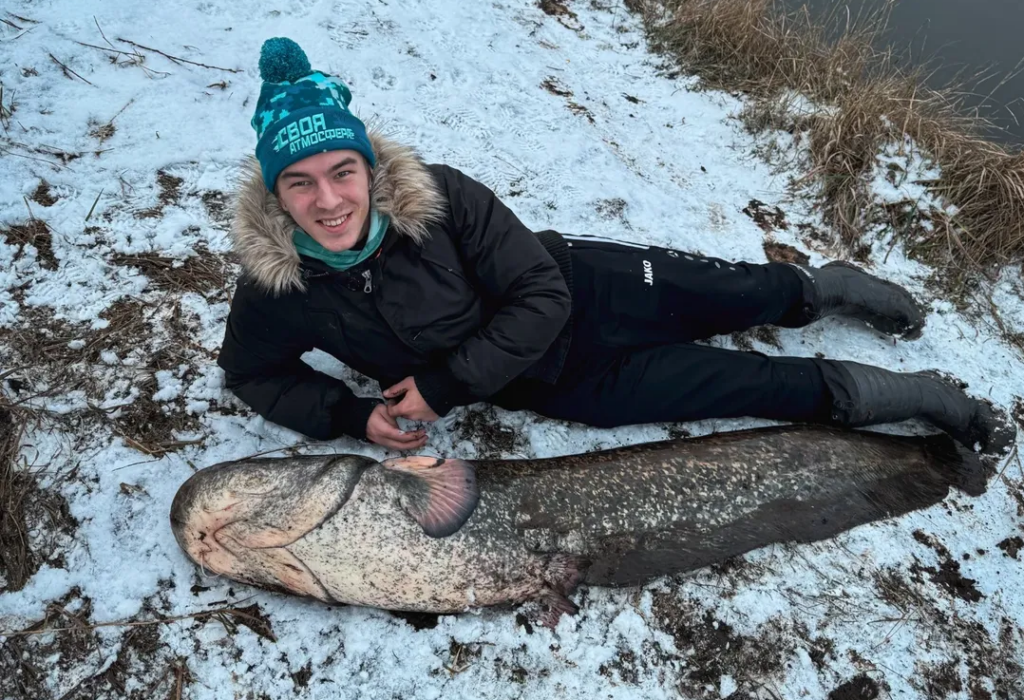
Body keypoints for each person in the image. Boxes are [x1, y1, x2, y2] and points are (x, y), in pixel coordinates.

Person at [218, 37, 1014, 459]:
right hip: (568, 383)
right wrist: (353, 417)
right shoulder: (276, 286)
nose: (328, 201)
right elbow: (250, 372)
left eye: (342, 171)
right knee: (750, 385)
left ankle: (821, 288)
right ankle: (921, 399)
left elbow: (541, 295)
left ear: (367, 166)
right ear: (275, 193)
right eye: (300, 183)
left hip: (591, 285)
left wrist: (440, 385)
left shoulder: (440, 193)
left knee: (745, 294)